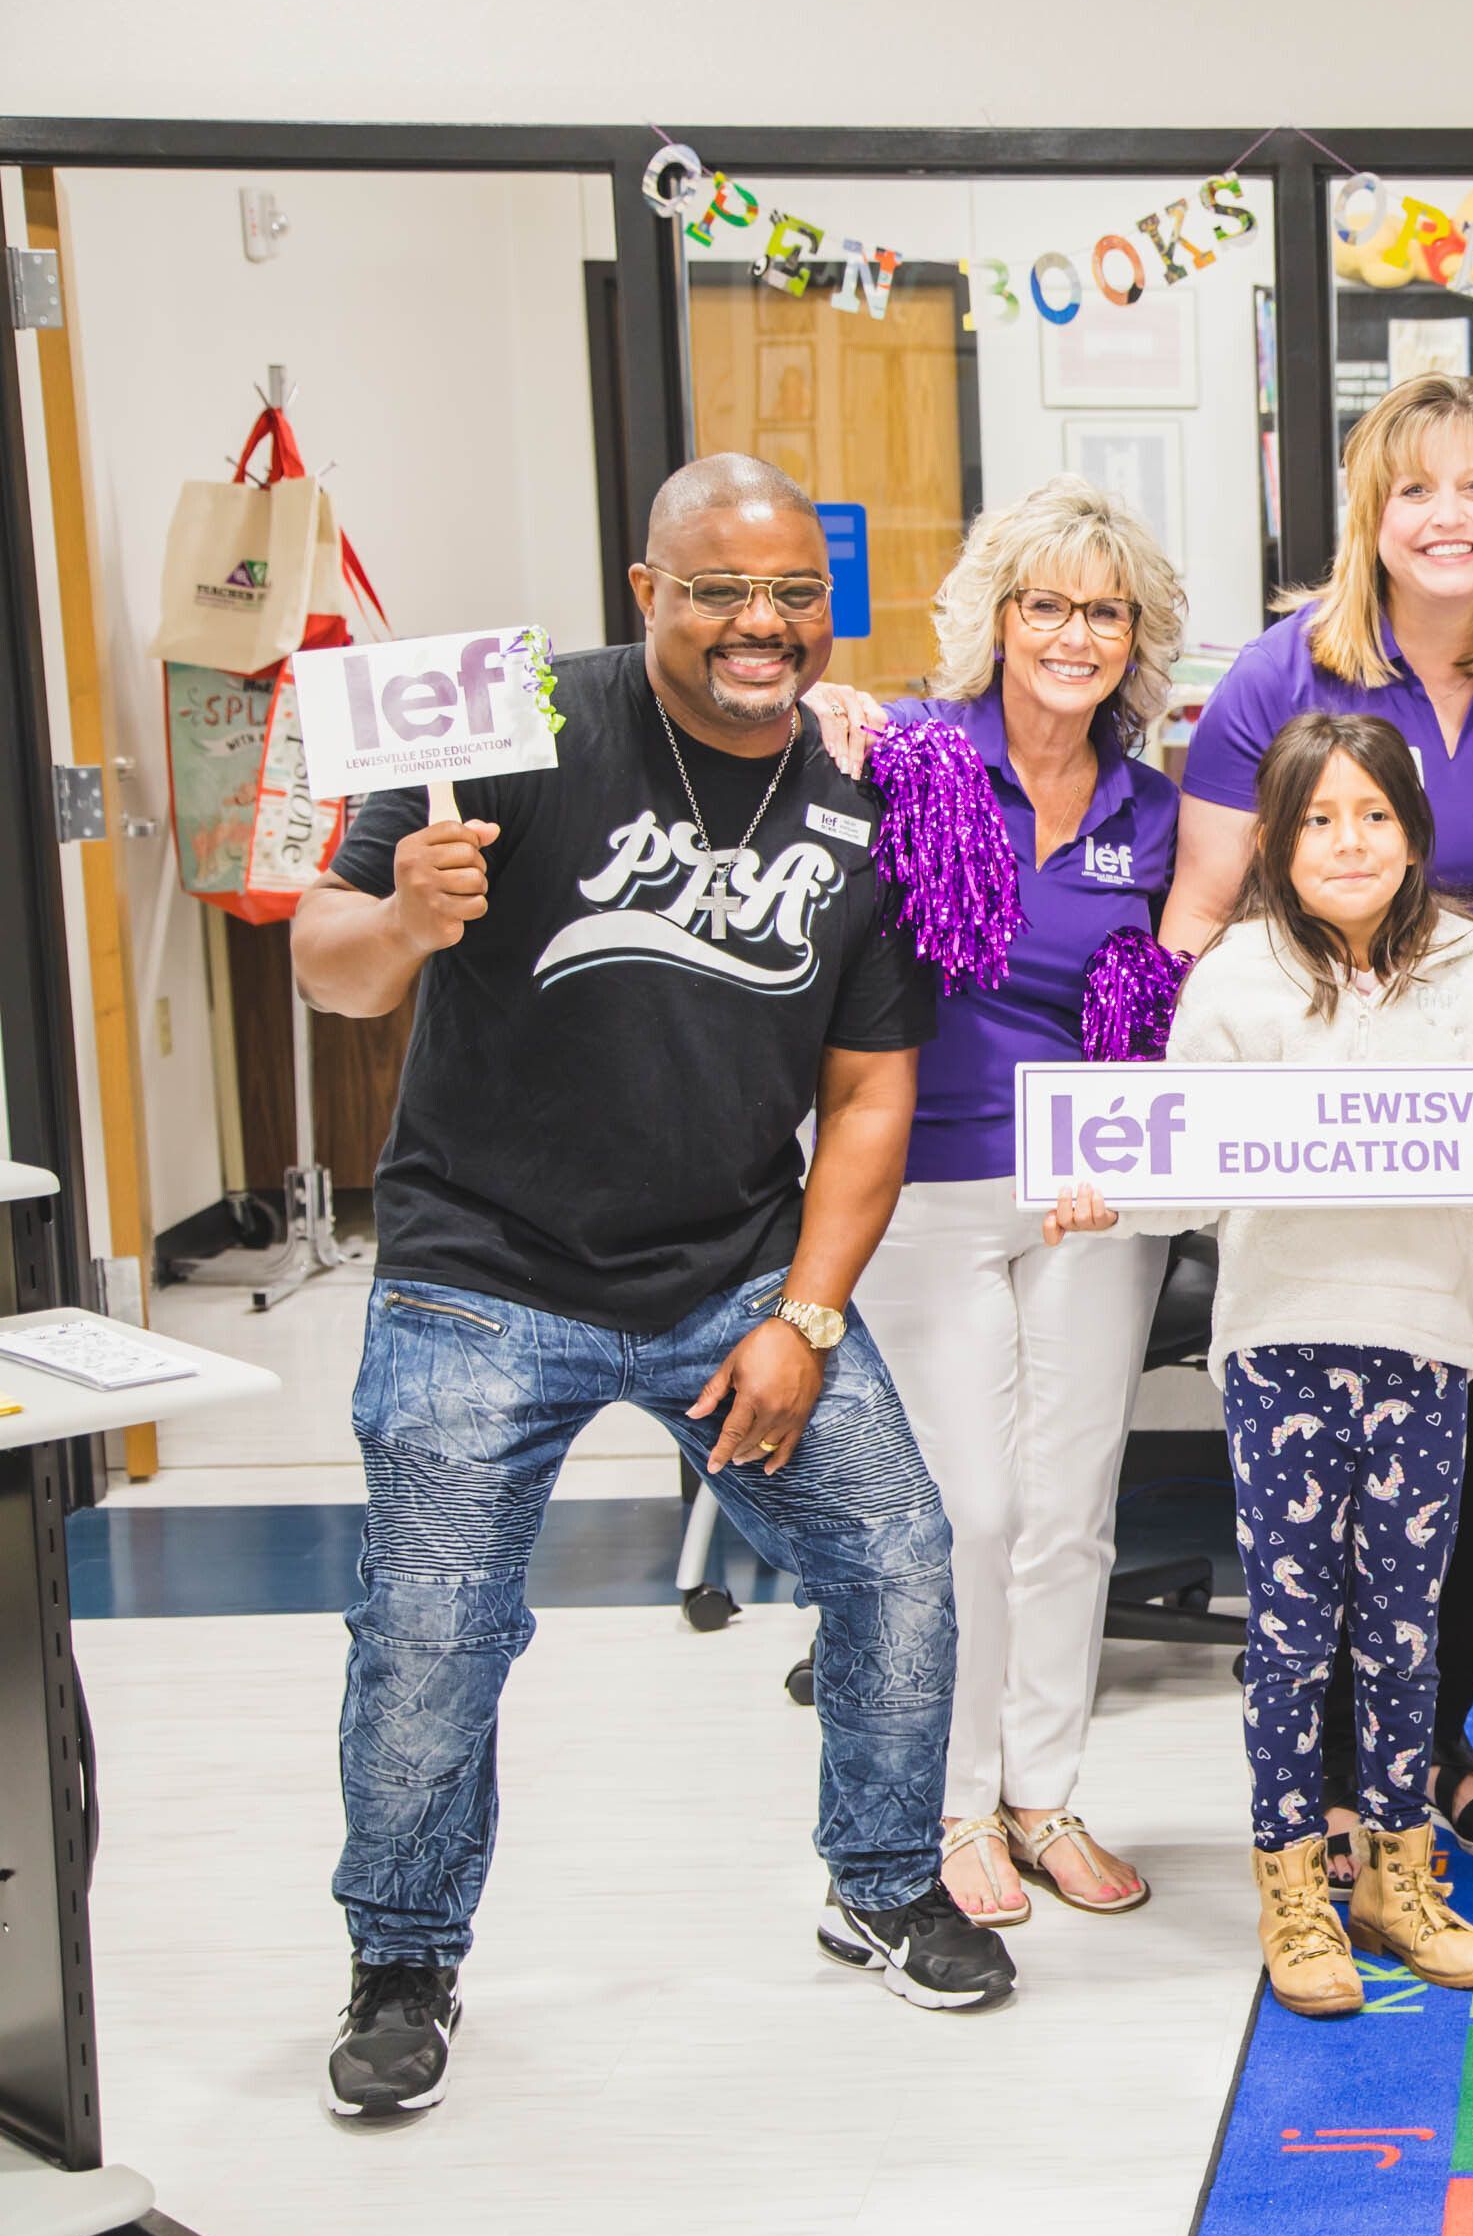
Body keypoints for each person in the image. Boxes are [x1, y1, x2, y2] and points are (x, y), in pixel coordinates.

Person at [291, 454, 1011, 2120]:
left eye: (792, 598)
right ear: (646, 593)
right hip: (483, 1268)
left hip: (731, 1274)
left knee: (902, 1551)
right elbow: (326, 962)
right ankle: (401, 1962)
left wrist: (807, 1314)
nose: (759, 626)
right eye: (717, 591)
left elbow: (870, 1093)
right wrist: (402, 917)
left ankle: (884, 1880)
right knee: (431, 1625)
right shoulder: (509, 715)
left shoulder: (866, 790)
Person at [1047, 713, 1473, 2015]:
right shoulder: (1233, 978)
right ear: (1275, 840)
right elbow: (1181, 1180)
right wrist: (1107, 1190)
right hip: (1279, 1346)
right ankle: (1295, 1889)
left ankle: (1396, 1875)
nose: (1348, 841)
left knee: (1401, 1633)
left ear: (1412, 833)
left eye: (1374, 816)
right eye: (1319, 818)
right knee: (1290, 1640)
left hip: (1429, 1348)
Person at [1166, 373, 1473, 1871]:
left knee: (1461, 1445)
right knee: (1313, 1499)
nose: (1448, 518)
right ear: (1371, 509)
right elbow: (1201, 910)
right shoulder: (1280, 672)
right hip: (1310, 1115)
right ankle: (1335, 1783)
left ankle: (1433, 1744)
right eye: (1417, 489)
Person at [815, 477, 1187, 1926]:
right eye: (1047, 603)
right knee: (967, 1506)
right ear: (995, 616)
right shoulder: (901, 756)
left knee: (1070, 1504)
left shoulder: (1152, 812)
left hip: (1093, 1193)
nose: (1074, 633)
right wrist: (824, 717)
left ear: (1135, 637)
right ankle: (952, 1801)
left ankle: (1045, 1792)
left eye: (1104, 610)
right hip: (925, 1184)